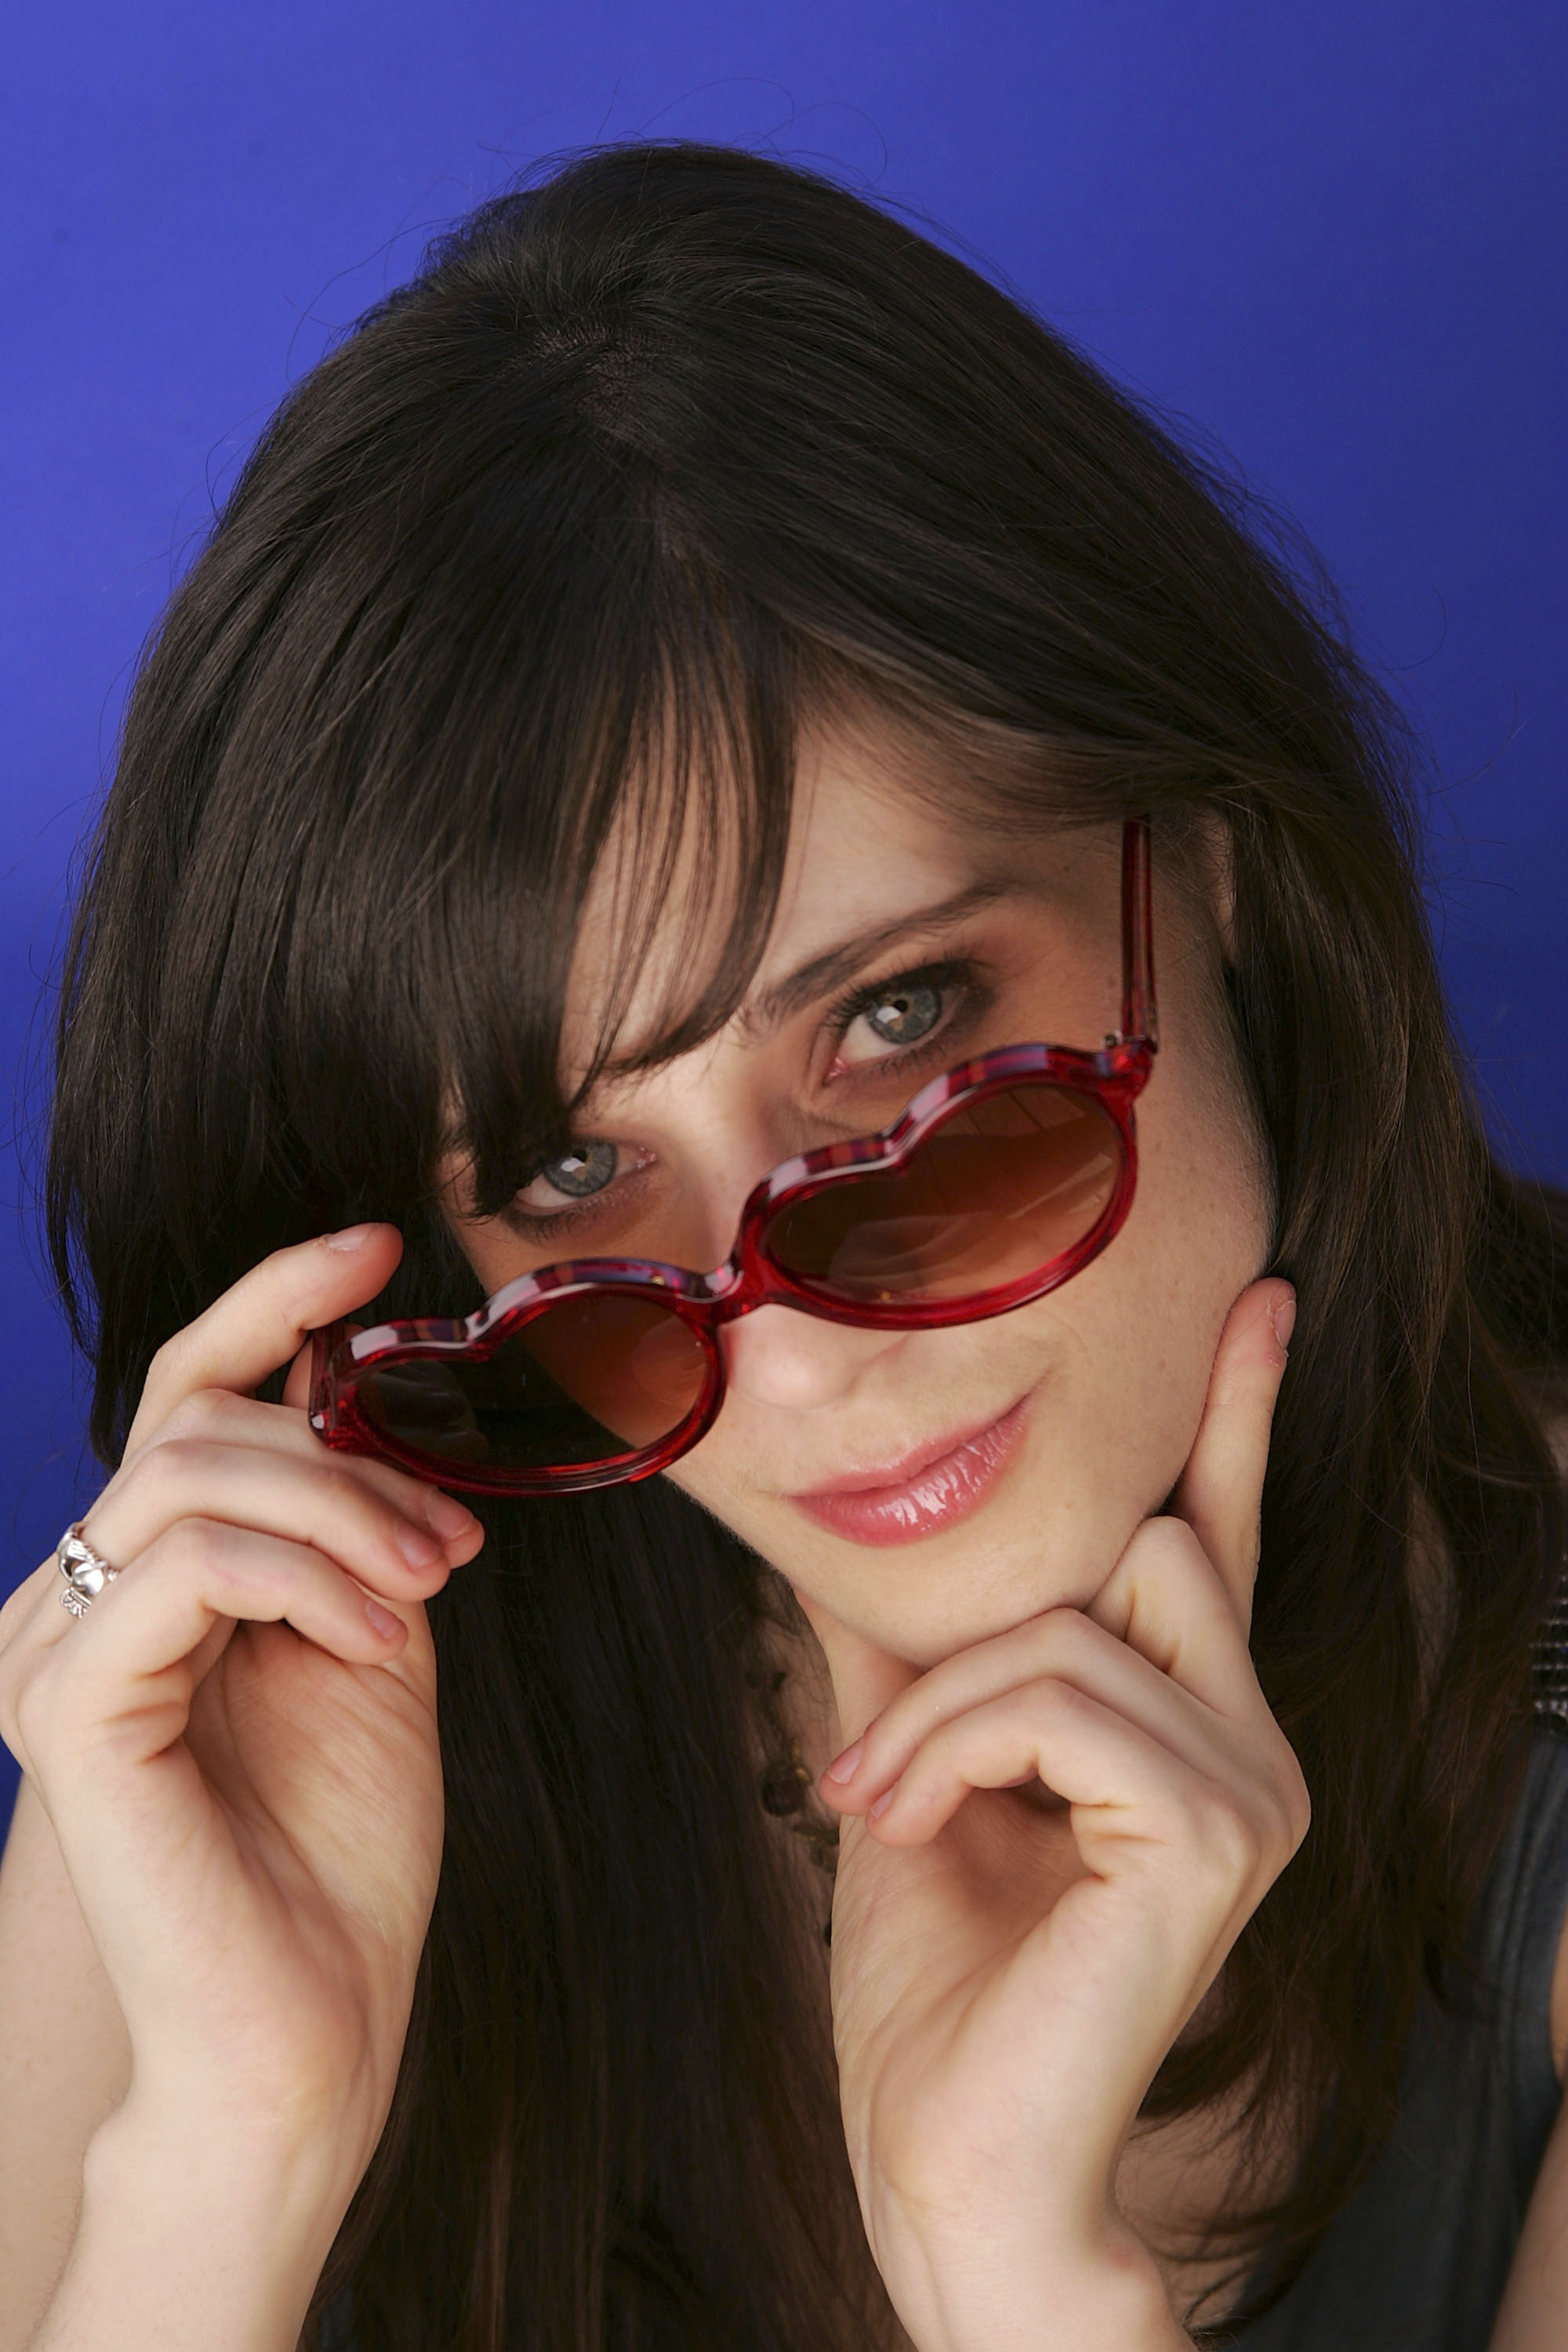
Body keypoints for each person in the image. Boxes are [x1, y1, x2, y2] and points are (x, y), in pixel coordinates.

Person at [0, 140, 1565, 2352]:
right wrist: (231, 2151)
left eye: (905, 1029)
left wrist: (1009, 2263)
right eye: (572, 1173)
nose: (798, 1354)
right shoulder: (261, 1704)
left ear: (1202, 856)